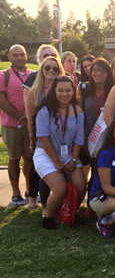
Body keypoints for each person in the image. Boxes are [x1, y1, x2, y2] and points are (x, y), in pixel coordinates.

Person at [33, 76, 86, 229]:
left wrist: (74, 160)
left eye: (68, 90)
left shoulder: (77, 111)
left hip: (69, 154)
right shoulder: (44, 111)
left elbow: (79, 139)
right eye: (60, 90)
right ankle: (49, 217)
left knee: (81, 185)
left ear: (73, 91)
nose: (64, 94)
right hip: (46, 154)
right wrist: (56, 162)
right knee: (59, 189)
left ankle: (71, 213)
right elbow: (43, 138)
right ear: (53, 91)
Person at [25, 56, 65, 211]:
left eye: (55, 68)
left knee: (57, 173)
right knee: (45, 173)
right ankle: (45, 207)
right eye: (47, 67)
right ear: (42, 70)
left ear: (59, 71)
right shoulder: (35, 91)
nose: (51, 71)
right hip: (42, 139)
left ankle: (59, 205)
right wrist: (31, 140)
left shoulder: (63, 89)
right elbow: (30, 119)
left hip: (61, 140)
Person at [0, 45, 32, 205]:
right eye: (15, 55)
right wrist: (20, 117)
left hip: (29, 126)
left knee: (29, 158)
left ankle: (29, 190)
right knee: (14, 158)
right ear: (9, 56)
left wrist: (29, 119)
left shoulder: (32, 75)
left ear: (26, 56)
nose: (19, 58)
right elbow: (1, 101)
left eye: (22, 54)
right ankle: (15, 192)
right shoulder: (3, 75)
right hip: (11, 125)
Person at [79, 58, 114, 186]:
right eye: (95, 70)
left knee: (104, 171)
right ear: (90, 72)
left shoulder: (113, 91)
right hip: (89, 137)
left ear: (108, 73)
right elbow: (79, 114)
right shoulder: (84, 90)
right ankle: (92, 201)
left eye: (103, 71)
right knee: (92, 170)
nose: (98, 74)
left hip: (106, 138)